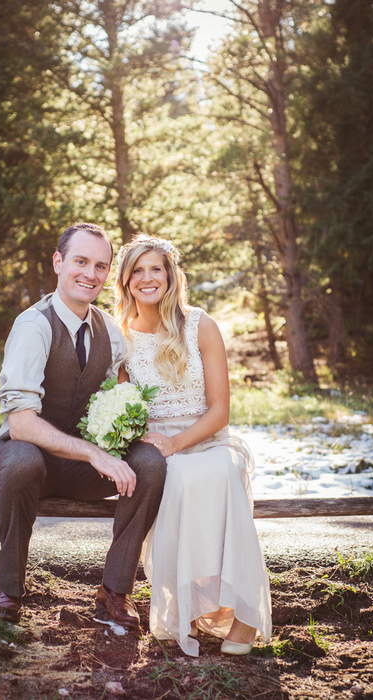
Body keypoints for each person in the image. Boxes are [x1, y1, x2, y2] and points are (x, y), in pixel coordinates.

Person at [0, 223, 166, 631]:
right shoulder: (33, 326)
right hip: (31, 463)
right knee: (19, 461)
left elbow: (122, 394)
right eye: (81, 261)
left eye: (101, 266)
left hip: (84, 469)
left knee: (151, 463)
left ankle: (114, 591)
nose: (90, 274)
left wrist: (134, 429)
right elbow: (21, 424)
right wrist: (94, 453)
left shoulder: (110, 331)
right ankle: (10, 588)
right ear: (58, 262)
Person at [115, 233, 272, 656]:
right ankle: (182, 606)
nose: (148, 279)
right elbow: (122, 406)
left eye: (156, 269)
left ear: (170, 276)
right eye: (137, 271)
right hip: (157, 447)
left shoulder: (200, 325)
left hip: (207, 439)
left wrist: (176, 442)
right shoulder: (121, 338)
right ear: (126, 281)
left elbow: (220, 411)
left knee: (219, 471)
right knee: (177, 479)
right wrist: (147, 440)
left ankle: (243, 615)